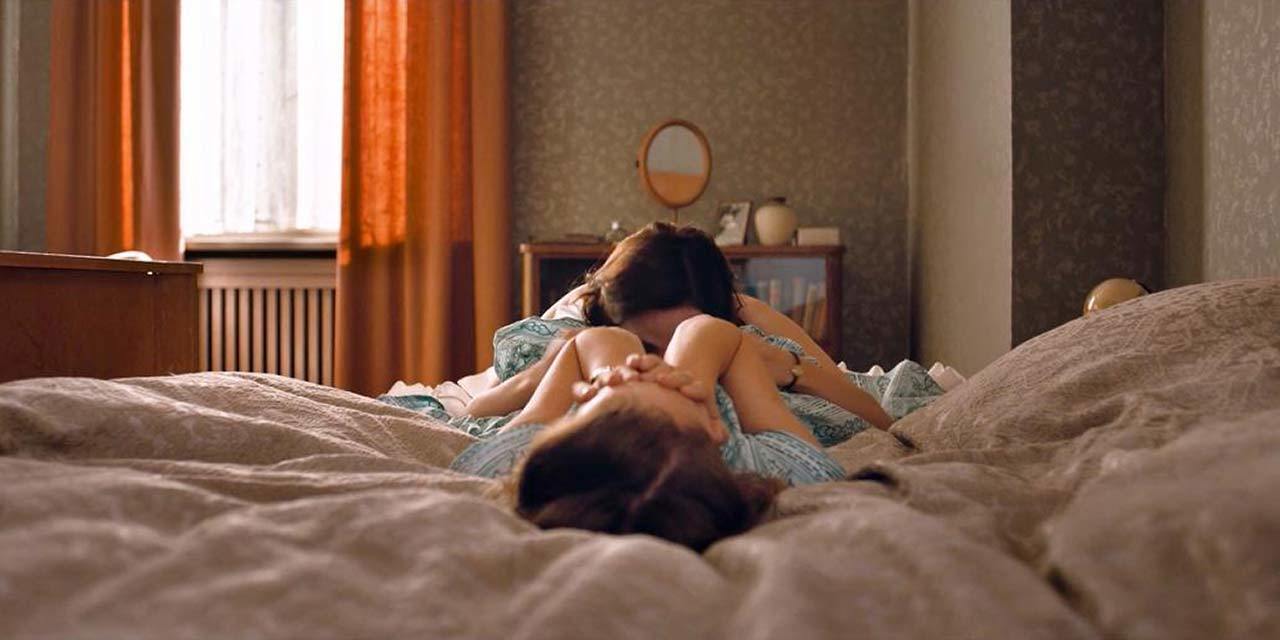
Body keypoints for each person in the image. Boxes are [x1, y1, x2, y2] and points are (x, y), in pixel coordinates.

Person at [452, 315, 846, 551]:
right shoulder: (778, 468)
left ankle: (552, 380)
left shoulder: (525, 464)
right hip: (700, 393)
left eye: (601, 396)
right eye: (659, 382)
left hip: (609, 408)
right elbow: (710, 329)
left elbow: (594, 339)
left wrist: (608, 374)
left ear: (567, 422)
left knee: (606, 341)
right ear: (716, 428)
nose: (643, 365)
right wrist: (691, 378)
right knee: (694, 335)